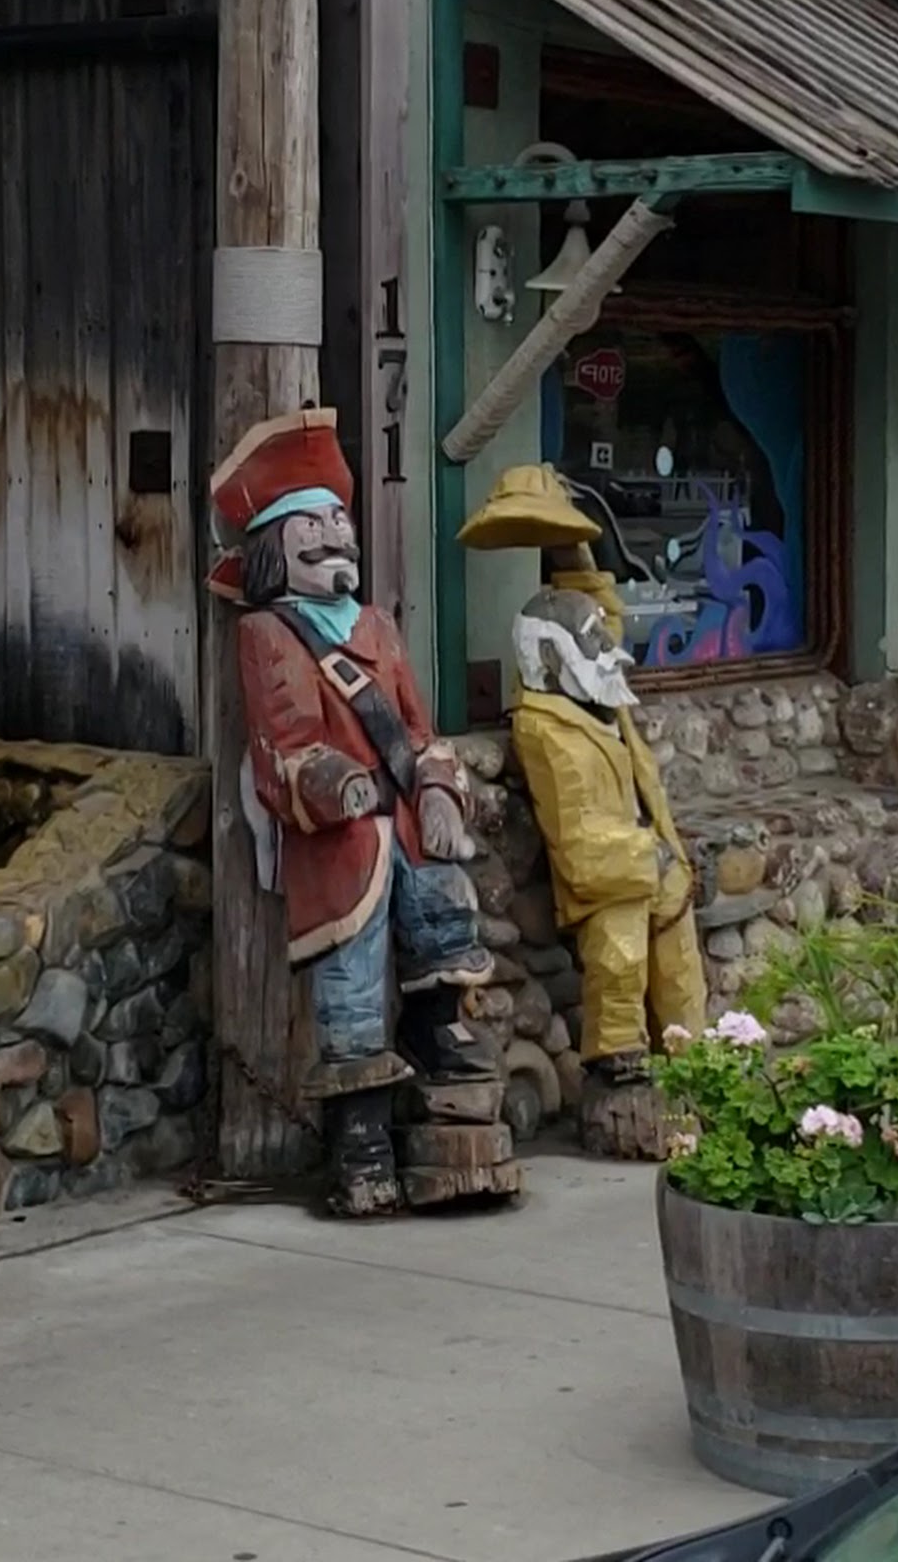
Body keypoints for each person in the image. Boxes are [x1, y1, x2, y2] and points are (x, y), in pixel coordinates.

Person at [210, 409, 495, 1216]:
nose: (336, 533)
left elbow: (417, 728)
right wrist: (339, 786)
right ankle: (360, 1138)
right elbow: (285, 739)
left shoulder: (378, 624)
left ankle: (440, 1043)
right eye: (313, 523)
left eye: (340, 519)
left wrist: (438, 790)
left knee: (443, 910)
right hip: (342, 834)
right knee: (351, 974)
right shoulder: (268, 633)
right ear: (274, 545)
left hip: (405, 812)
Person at [508, 584, 705, 1158]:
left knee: (681, 954)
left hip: (651, 861)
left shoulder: (604, 704)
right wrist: (652, 856)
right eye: (590, 640)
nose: (609, 652)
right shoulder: (543, 728)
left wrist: (673, 857)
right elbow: (579, 841)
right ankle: (617, 1058)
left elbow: (648, 792)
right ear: (549, 658)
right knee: (619, 943)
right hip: (609, 879)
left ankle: (699, 1068)